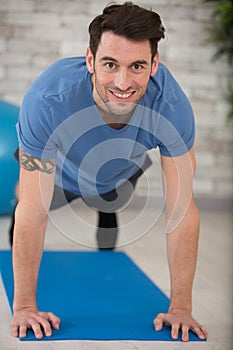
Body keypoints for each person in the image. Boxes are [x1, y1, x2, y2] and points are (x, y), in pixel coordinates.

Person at [11, 1, 208, 342]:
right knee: (24, 201)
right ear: (90, 60)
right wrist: (25, 306)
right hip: (63, 171)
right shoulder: (47, 99)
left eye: (137, 66)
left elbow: (181, 212)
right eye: (110, 64)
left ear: (154, 65)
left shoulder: (171, 107)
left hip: (117, 167)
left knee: (111, 185)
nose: (122, 81)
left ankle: (108, 198)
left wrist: (180, 307)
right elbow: (34, 210)